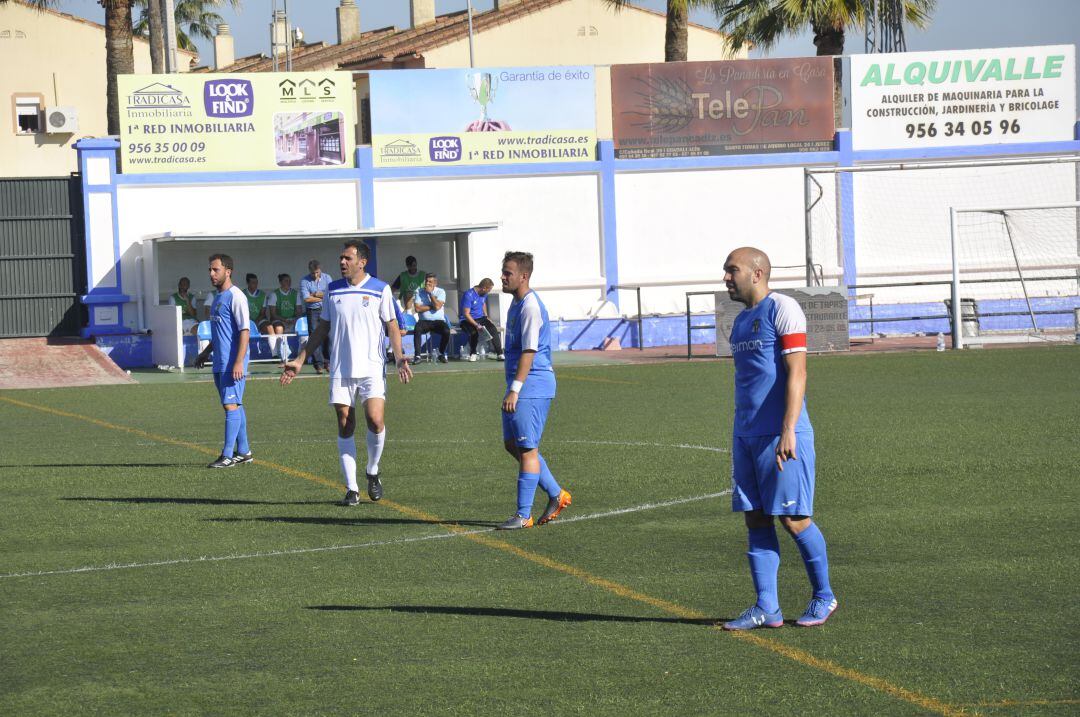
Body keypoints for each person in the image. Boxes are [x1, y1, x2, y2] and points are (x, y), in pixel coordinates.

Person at [719, 247, 837, 631]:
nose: (725, 278)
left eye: (731, 270)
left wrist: (788, 428)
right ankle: (766, 607)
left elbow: (797, 372)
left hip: (781, 434)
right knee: (755, 518)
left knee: (794, 518)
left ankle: (824, 595)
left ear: (757, 273)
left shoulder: (782, 308)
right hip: (747, 436)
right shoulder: (739, 323)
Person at [281, 240, 412, 506]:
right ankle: (352, 489)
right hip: (341, 369)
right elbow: (322, 329)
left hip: (372, 368)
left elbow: (393, 325)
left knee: (375, 420)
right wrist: (299, 359)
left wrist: (399, 359)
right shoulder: (332, 289)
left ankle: (372, 471)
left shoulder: (380, 289)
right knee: (345, 423)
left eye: (347, 258)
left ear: (362, 261)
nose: (342, 262)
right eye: (341, 258)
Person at [496, 251, 571, 530]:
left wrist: (515, 389)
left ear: (523, 276)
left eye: (508, 273)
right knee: (513, 445)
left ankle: (523, 514)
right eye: (503, 272)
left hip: (532, 384)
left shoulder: (529, 307)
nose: (502, 277)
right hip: (520, 384)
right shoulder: (515, 304)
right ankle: (556, 494)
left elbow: (529, 351)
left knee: (527, 448)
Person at [194, 254, 253, 469]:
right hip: (220, 361)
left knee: (231, 405)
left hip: (232, 363)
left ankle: (227, 455)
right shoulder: (217, 297)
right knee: (234, 405)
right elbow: (220, 334)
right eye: (210, 269)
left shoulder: (236, 296)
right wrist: (205, 353)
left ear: (228, 271)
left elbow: (244, 331)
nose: (211, 274)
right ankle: (244, 451)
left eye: (215, 270)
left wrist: (238, 362)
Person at [459, 278, 504, 361]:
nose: (489, 292)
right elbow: (466, 314)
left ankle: (500, 353)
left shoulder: (484, 294)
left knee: (493, 329)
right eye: (489, 290)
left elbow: (483, 304)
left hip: (481, 318)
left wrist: (486, 316)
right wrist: (476, 325)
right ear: (484, 288)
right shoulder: (468, 294)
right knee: (474, 332)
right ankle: (473, 353)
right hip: (466, 320)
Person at [301, 259, 332, 374]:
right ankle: (318, 365)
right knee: (314, 337)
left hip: (326, 309)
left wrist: (316, 294)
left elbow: (331, 294)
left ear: (320, 270)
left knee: (328, 336)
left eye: (317, 272)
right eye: (313, 273)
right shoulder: (304, 281)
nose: (315, 275)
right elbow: (306, 298)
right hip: (312, 311)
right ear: (309, 271)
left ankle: (327, 363)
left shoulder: (327, 278)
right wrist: (322, 296)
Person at [412, 273, 451, 363]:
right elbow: (417, 309)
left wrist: (430, 294)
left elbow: (437, 307)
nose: (427, 284)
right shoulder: (419, 291)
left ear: (435, 283)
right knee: (417, 328)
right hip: (424, 321)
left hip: (438, 321)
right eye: (426, 281)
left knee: (446, 330)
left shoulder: (441, 291)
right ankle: (417, 356)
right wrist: (431, 306)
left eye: (430, 282)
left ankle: (441, 353)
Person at [266, 273, 304, 361]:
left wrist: (294, 319)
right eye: (286, 281)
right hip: (279, 320)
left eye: (290, 281)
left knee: (302, 328)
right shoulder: (274, 294)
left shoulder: (295, 294)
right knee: (279, 328)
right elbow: (273, 314)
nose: (289, 282)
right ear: (281, 282)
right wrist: (285, 320)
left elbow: (299, 311)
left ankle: (301, 354)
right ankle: (280, 354)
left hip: (292, 319)